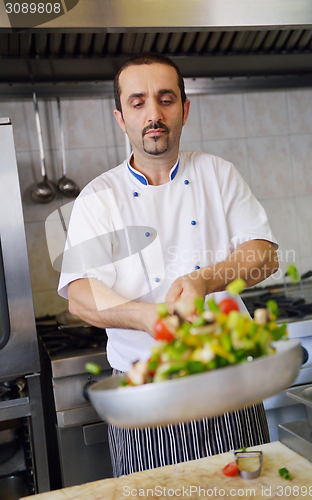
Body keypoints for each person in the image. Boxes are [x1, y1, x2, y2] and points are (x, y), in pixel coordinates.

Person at [58, 52, 279, 477]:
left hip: (229, 383)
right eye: (138, 102)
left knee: (248, 491)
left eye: (166, 99)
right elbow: (82, 296)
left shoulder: (218, 174)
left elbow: (264, 255)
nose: (153, 114)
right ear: (121, 117)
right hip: (146, 394)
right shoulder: (98, 197)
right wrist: (150, 318)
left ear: (185, 109)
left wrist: (204, 280)